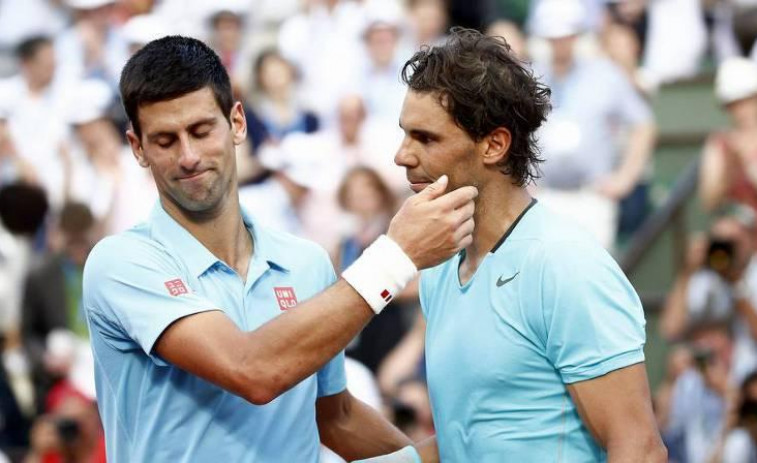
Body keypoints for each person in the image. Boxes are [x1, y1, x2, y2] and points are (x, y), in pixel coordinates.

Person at [82, 35, 477, 462]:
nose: (189, 156)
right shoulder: (121, 262)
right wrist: (395, 257)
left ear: (237, 122)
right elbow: (252, 371)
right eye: (165, 141)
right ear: (137, 148)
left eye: (200, 131)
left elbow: (336, 417)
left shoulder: (304, 262)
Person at [362, 28, 666, 462]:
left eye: (425, 138)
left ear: (495, 145)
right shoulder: (441, 268)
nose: (402, 155)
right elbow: (468, 440)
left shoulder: (565, 263)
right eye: (405, 134)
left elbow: (639, 448)